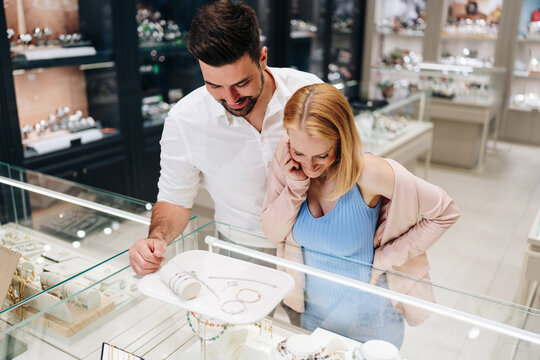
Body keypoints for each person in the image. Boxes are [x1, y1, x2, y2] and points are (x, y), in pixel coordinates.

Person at [129, 1, 321, 275]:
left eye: (242, 83)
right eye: (214, 85)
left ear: (263, 58)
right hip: (241, 250)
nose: (231, 99)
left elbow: (349, 167)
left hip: (315, 247)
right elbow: (174, 199)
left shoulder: (310, 92)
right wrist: (156, 238)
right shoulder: (185, 120)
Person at [261, 83, 460, 347]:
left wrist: (387, 257)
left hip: (371, 318)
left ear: (341, 140)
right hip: (312, 314)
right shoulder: (286, 157)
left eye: (322, 155)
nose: (309, 166)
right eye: (300, 152)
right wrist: (295, 186)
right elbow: (272, 232)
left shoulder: (368, 173)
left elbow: (445, 211)